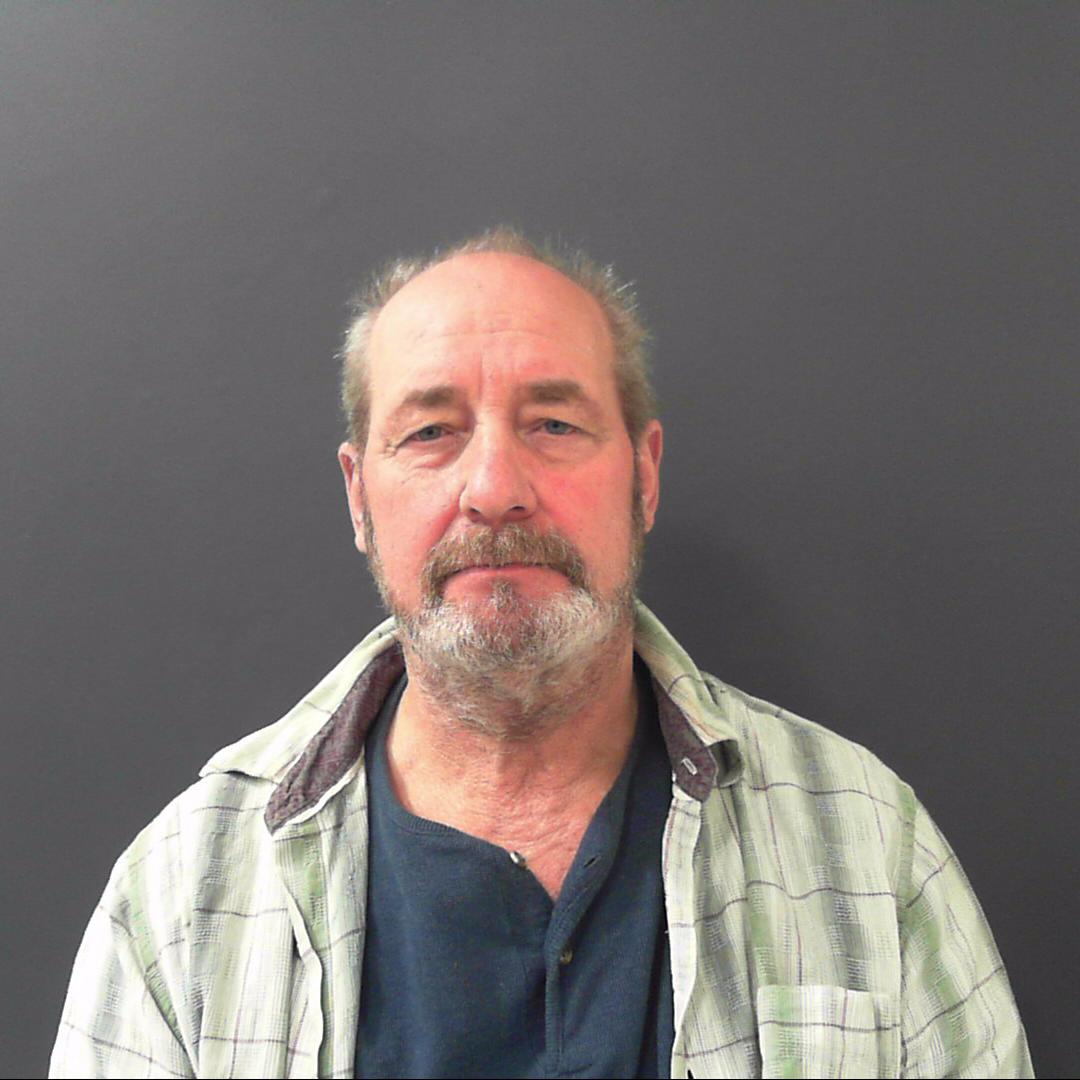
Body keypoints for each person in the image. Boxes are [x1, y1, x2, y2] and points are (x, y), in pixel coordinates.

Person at [50, 227, 1033, 1079]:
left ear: (644, 476)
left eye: (555, 424)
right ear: (358, 497)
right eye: (431, 431)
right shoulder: (182, 898)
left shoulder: (867, 846)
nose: (495, 488)